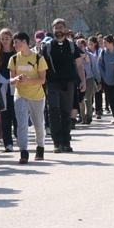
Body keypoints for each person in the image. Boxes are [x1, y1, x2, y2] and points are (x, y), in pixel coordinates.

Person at [41, 18, 86, 153]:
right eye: (56, 27)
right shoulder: (47, 47)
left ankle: (66, 142)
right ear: (52, 29)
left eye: (61, 27)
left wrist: (83, 81)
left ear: (65, 29)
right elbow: (41, 67)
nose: (58, 30)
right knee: (53, 112)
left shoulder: (72, 46)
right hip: (53, 84)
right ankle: (56, 143)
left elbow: (79, 65)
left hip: (69, 84)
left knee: (66, 113)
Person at [8, 32, 49, 163]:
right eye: (13, 42)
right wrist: (17, 78)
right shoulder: (13, 59)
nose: (14, 45)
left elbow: (42, 80)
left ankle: (40, 147)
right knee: (21, 125)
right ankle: (23, 152)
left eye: (16, 42)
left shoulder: (38, 58)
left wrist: (28, 80)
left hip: (37, 96)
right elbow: (11, 80)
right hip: (20, 95)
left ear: (25, 42)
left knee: (38, 124)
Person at [0, 29, 17, 152]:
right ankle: (8, 143)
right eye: (2, 39)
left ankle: (19, 136)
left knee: (16, 114)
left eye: (7, 38)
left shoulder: (17, 53)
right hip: (2, 87)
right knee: (5, 115)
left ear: (11, 38)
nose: (5, 41)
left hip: (16, 85)